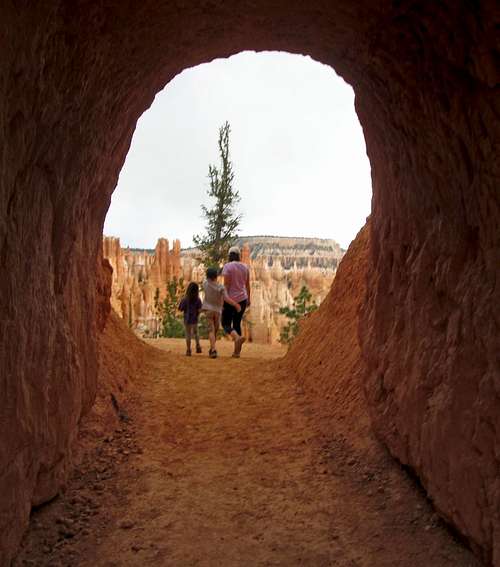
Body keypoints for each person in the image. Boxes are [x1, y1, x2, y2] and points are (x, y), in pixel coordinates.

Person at [202, 267, 241, 359]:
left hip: (208, 310)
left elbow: (208, 279)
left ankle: (213, 350)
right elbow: (226, 299)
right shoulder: (221, 287)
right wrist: (236, 304)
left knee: (211, 331)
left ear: (207, 277)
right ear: (216, 277)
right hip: (218, 311)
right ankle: (213, 348)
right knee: (215, 331)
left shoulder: (205, 284)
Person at [221, 246, 250, 358]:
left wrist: (224, 300)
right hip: (243, 299)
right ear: (239, 256)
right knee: (237, 323)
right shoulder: (245, 267)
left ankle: (237, 338)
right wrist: (249, 299)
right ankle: (237, 352)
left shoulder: (227, 267)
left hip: (231, 300)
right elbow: (247, 285)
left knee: (226, 323)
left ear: (229, 255)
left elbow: (226, 286)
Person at [178, 282, 202, 356]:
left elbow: (180, 308)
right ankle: (198, 346)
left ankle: (188, 350)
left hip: (187, 318)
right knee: (196, 332)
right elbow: (200, 308)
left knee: (188, 334)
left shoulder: (185, 299)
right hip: (195, 318)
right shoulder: (198, 299)